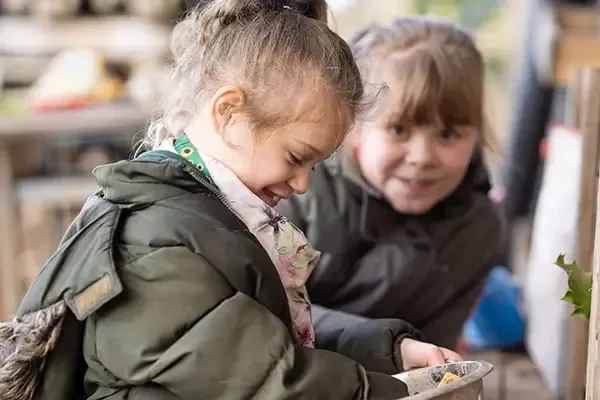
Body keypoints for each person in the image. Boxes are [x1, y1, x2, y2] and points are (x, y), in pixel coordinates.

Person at [0, 2, 461, 400]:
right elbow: (266, 381)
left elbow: (260, 339)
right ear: (228, 112)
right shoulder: (152, 241)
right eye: (296, 157)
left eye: (314, 167)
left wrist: (387, 351)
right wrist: (395, 391)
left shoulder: (205, 215)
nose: (302, 185)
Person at [276, 15, 504, 350]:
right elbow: (268, 309)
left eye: (449, 134)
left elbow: (436, 348)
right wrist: (389, 345)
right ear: (353, 125)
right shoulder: (296, 190)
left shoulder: (478, 231)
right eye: (399, 130)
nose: (422, 156)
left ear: (476, 137)